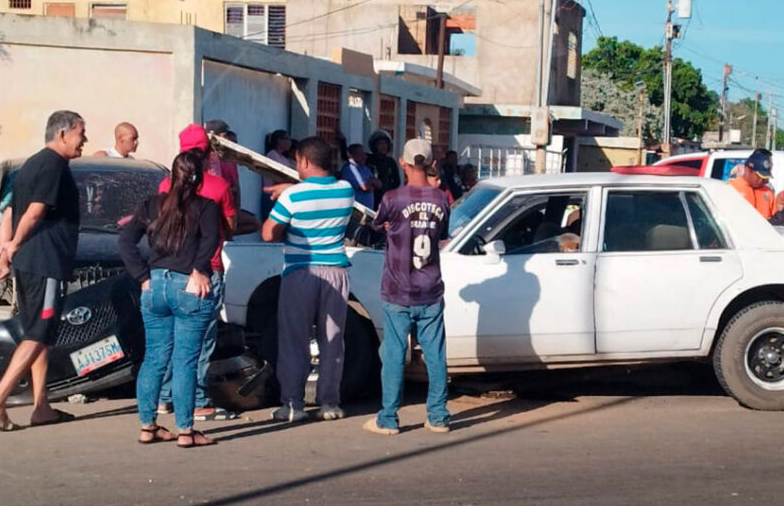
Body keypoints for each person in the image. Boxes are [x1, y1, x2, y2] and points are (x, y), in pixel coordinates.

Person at [119, 150, 221, 448]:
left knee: (154, 358)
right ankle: (186, 431)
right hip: (188, 285)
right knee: (186, 360)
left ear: (171, 176)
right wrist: (199, 270)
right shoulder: (206, 207)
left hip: (155, 286)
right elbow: (211, 240)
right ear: (200, 176)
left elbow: (125, 241)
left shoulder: (152, 205)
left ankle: (147, 426)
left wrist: (142, 276)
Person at [0, 110, 85, 431]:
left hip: (32, 263)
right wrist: (12, 245)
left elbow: (9, 210)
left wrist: (6, 252)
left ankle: (41, 407)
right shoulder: (52, 165)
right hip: (45, 262)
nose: (84, 139)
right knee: (37, 334)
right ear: (62, 134)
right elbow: (34, 211)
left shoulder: (31, 164)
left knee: (43, 335)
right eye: (81, 132)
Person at [261, 136, 354, 423]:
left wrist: (289, 197)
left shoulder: (292, 197)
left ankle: (293, 404)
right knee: (333, 341)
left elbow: (268, 233)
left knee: (294, 340)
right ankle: (329, 403)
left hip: (301, 272)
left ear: (303, 161)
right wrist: (293, 188)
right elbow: (319, 191)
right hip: (336, 273)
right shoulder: (346, 190)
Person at [363, 139, 451, 436]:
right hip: (430, 287)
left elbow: (378, 225)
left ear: (403, 162)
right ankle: (438, 415)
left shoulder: (392, 197)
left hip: (398, 288)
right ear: (430, 164)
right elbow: (442, 235)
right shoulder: (441, 199)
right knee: (435, 354)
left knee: (393, 353)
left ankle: (388, 417)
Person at [156, 124, 237, 421]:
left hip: (171, 271)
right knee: (201, 339)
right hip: (207, 270)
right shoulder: (218, 187)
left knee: (172, 337)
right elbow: (229, 226)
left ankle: (166, 398)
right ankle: (197, 399)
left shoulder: (165, 186)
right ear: (207, 154)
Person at [728, 149, 776, 219]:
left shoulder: (768, 192)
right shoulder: (731, 188)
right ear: (747, 170)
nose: (761, 180)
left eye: (764, 177)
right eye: (758, 176)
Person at [204, 119, 241, 208]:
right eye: (224, 136)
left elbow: (236, 184)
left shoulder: (229, 159)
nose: (227, 140)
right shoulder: (209, 158)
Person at [366, 130, 401, 209]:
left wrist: (382, 187)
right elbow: (354, 157)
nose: (383, 146)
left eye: (385, 143)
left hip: (386, 200)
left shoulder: (390, 162)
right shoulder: (368, 159)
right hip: (372, 199)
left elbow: (397, 183)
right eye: (380, 144)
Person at [341, 143, 381, 209]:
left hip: (368, 211)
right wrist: (371, 183)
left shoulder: (365, 168)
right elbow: (365, 187)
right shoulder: (350, 168)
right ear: (353, 155)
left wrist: (371, 182)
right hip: (356, 211)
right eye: (361, 154)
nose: (365, 157)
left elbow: (379, 184)